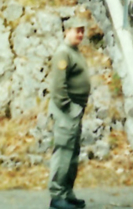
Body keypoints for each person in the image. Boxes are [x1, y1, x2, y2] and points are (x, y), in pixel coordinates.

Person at [48, 17, 91, 209]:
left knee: (73, 154)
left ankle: (67, 192)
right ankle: (57, 196)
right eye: (76, 30)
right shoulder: (63, 53)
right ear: (67, 31)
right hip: (67, 111)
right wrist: (69, 107)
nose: (80, 34)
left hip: (75, 110)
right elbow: (58, 86)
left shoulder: (74, 52)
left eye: (82, 31)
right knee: (64, 151)